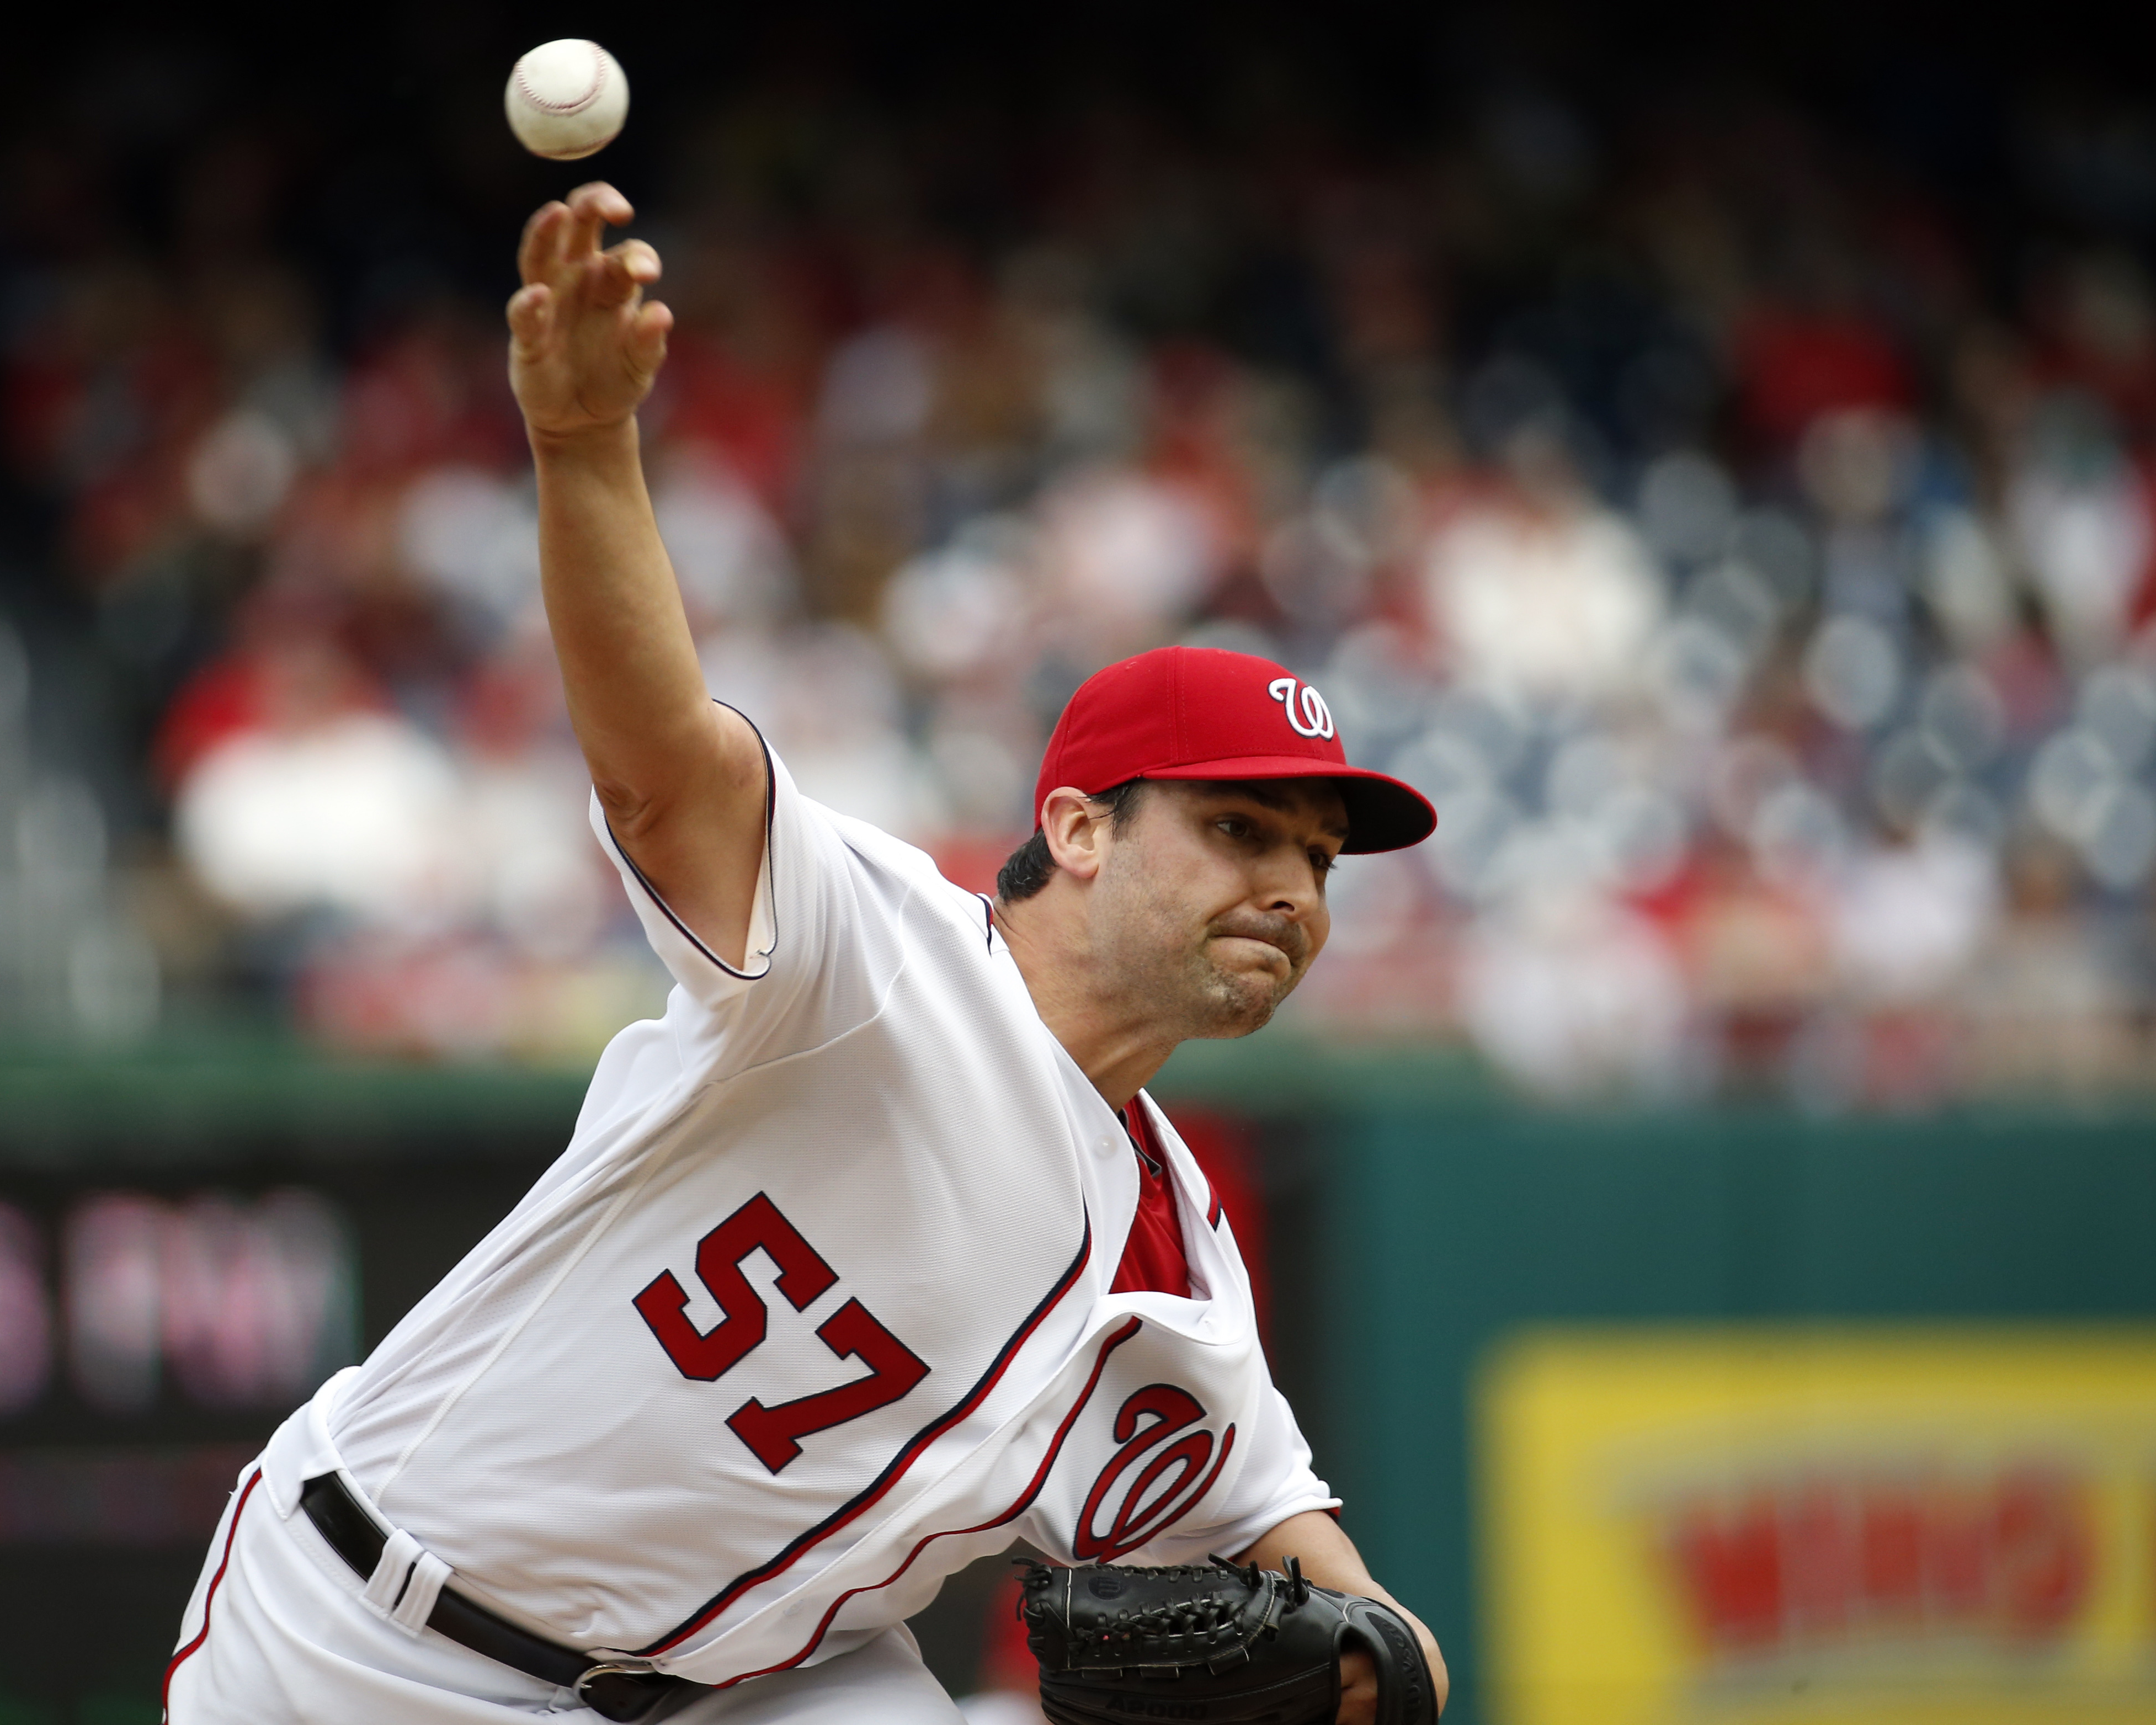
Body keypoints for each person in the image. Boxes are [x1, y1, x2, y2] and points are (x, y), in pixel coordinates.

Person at [162, 183, 1449, 1725]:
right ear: (1083, 829)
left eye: (1317, 860)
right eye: (1244, 834)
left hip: (738, 1692)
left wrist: (1390, 1662)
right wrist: (583, 454)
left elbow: (1296, 1555)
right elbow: (660, 773)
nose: (1296, 892)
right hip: (365, 1632)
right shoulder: (881, 953)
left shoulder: (1170, 1257)